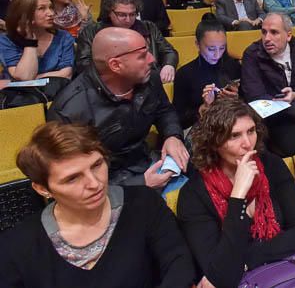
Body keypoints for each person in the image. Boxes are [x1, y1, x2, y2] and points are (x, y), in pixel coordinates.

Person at [0, 122, 196, 287]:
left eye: (97, 165)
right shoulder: (18, 247)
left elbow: (179, 264)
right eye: (72, 179)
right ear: (43, 189)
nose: (95, 183)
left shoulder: (144, 203)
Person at [177, 98, 295, 288]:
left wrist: (246, 259)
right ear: (214, 143)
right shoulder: (193, 195)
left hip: (289, 274)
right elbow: (220, 275)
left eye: (251, 131)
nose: (248, 144)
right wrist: (238, 196)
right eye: (234, 136)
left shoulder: (272, 165)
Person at [48, 27, 189, 188]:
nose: (152, 59)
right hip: (104, 184)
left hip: (145, 161)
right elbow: (73, 176)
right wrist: (141, 183)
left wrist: (172, 136)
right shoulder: (70, 110)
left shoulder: (148, 77)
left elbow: (164, 111)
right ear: (115, 65)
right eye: (142, 56)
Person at [240, 13, 295, 156]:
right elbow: (256, 98)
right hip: (276, 119)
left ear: (288, 35)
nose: (267, 38)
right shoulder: (252, 54)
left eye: (274, 32)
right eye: (264, 32)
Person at [75, 0, 178, 83]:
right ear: (109, 12)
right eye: (122, 15)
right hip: (110, 84)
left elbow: (168, 51)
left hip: (149, 79)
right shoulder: (92, 31)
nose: (128, 20)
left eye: (132, 14)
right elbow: (83, 64)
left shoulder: (148, 27)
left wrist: (168, 65)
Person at [173, 14, 241, 130]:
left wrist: (238, 98)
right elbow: (177, 119)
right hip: (202, 129)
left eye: (222, 48)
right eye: (211, 49)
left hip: (233, 123)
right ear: (197, 44)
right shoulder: (184, 74)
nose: (217, 54)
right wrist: (203, 108)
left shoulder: (233, 66)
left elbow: (247, 104)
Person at [0, 0, 74, 81]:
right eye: (41, 8)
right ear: (24, 13)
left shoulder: (63, 37)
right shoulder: (6, 40)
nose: (51, 13)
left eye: (51, 7)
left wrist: (36, 78)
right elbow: (24, 77)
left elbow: (66, 74)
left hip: (56, 92)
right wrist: (30, 42)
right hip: (18, 94)